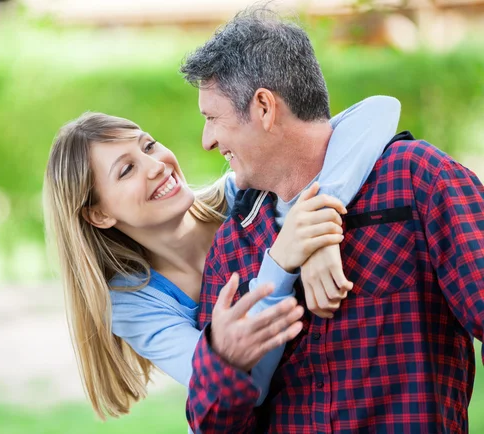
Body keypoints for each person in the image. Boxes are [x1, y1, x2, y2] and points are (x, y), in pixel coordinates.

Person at [181, 6, 484, 434]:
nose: (207, 141)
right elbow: (210, 424)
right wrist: (224, 358)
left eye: (212, 118)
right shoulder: (235, 243)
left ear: (264, 107)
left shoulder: (416, 181)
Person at [42, 96, 400, 420]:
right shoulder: (132, 301)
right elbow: (238, 384)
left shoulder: (243, 199)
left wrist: (320, 223)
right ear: (99, 215)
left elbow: (379, 110)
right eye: (126, 170)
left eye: (148, 145)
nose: (156, 166)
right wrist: (281, 261)